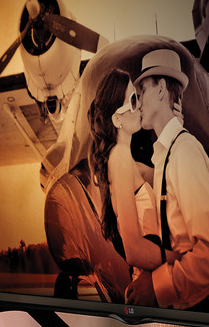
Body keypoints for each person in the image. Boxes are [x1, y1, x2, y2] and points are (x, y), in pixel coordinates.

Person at [111, 47, 209, 312]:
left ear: (161, 89)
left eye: (142, 92)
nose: (138, 102)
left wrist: (156, 285)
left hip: (193, 313)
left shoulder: (184, 152)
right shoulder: (166, 156)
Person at [43, 67, 143, 299]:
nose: (140, 105)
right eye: (134, 99)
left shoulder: (122, 160)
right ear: (117, 118)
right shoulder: (121, 159)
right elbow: (134, 249)